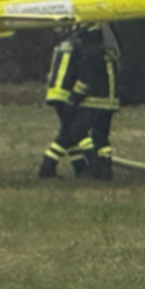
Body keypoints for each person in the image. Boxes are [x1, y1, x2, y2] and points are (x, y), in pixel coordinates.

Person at [38, 28, 94, 177]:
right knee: (71, 133)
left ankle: (80, 167)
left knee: (69, 131)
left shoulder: (62, 45)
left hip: (54, 92)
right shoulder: (80, 47)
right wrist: (77, 96)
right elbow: (83, 75)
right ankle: (47, 168)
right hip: (66, 94)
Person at [71, 24, 120, 180]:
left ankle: (94, 164)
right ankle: (106, 169)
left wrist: (74, 98)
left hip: (94, 102)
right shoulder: (110, 54)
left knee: (78, 131)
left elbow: (85, 81)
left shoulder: (91, 54)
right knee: (101, 137)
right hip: (110, 104)